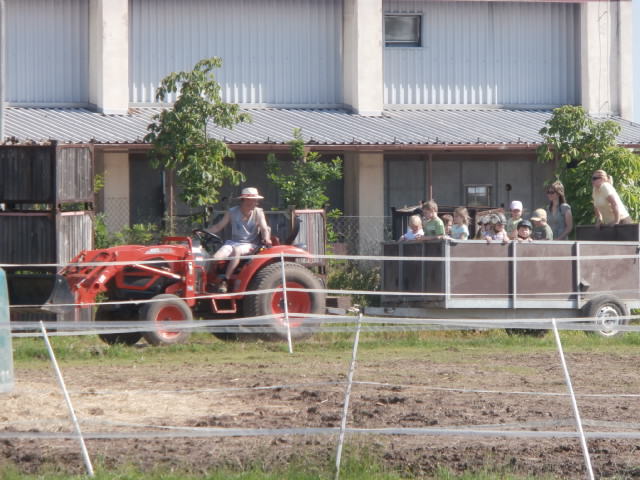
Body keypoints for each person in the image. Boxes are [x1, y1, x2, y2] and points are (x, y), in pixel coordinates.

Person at [207, 187, 272, 293]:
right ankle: (210, 281)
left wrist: (267, 238)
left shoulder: (258, 212)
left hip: (250, 244)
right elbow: (218, 226)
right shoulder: (232, 212)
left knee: (236, 250)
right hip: (234, 242)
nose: (254, 202)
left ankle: (225, 281)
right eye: (251, 199)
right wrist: (204, 232)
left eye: (255, 200)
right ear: (244, 200)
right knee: (214, 258)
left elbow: (264, 228)